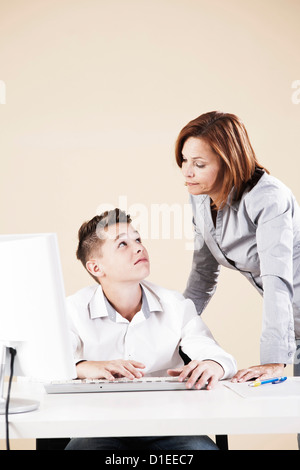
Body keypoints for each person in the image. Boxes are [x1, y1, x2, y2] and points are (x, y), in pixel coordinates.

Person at [64, 208, 237, 451]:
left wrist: (213, 364)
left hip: (170, 427)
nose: (138, 248)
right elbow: (43, 367)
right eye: (122, 244)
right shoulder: (72, 310)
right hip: (99, 428)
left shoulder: (175, 305)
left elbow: (215, 353)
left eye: (137, 239)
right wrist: (84, 367)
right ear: (95, 268)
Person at [175, 110, 300, 386]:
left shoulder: (269, 198)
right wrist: (172, 329)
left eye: (199, 163)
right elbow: (202, 275)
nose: (187, 171)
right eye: (184, 159)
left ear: (228, 162)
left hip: (287, 326)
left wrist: (272, 359)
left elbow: (276, 279)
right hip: (294, 328)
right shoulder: (200, 196)